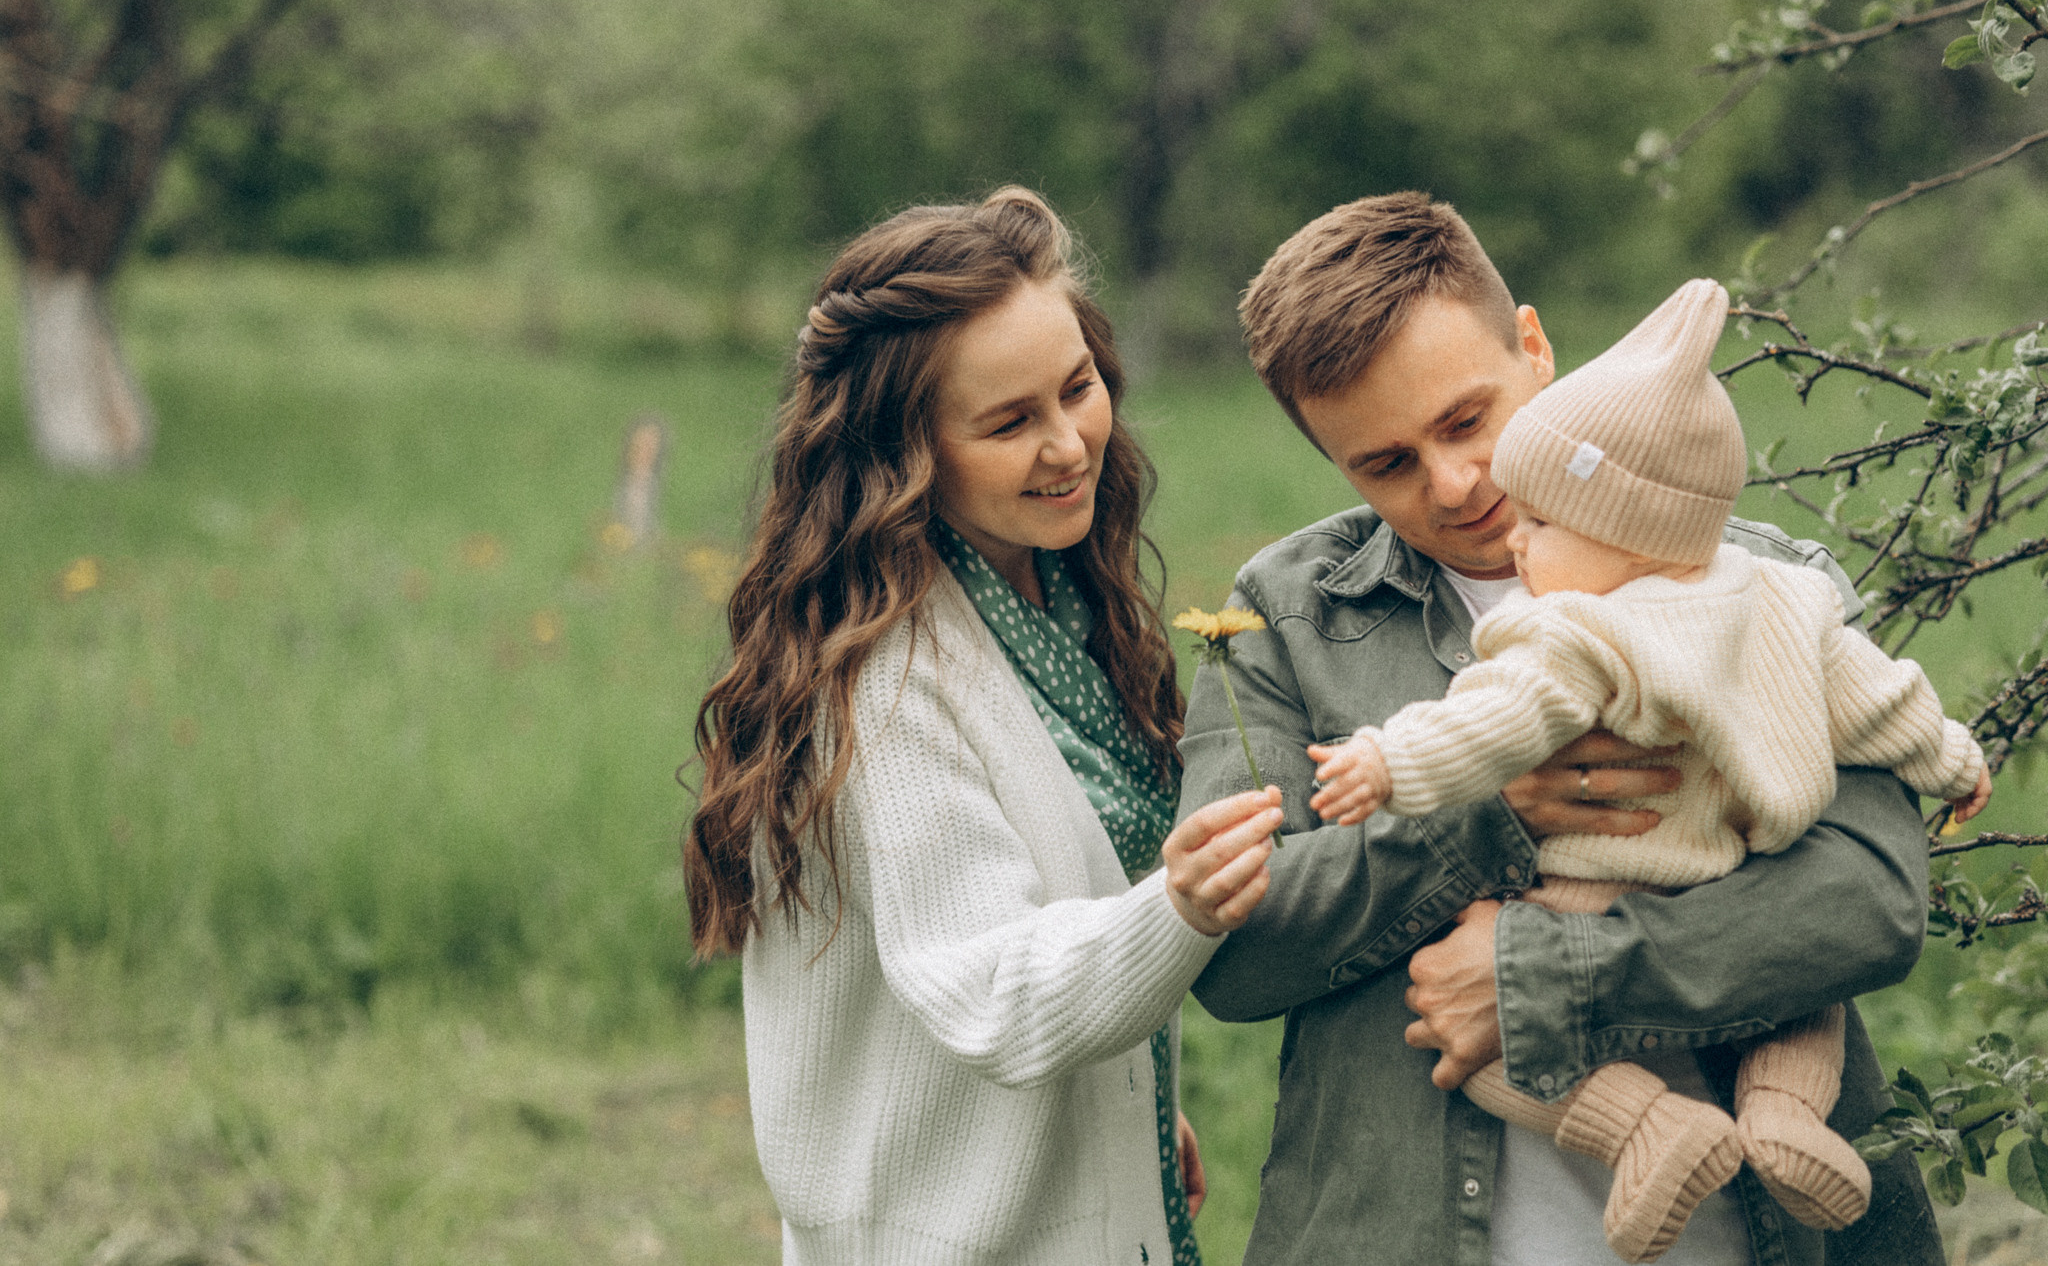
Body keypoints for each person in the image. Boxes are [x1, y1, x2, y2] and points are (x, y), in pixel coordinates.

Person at [1181, 192, 1946, 1266]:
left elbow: (1871, 897)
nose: (1454, 485)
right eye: (1386, 463)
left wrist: (1543, 972)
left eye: (1465, 421)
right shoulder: (1286, 615)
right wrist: (1487, 817)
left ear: (1533, 349)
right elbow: (1234, 956)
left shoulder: (1761, 581)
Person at [682, 186, 1284, 1265]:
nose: (1068, 445)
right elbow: (989, 988)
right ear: (902, 452)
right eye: (1009, 423)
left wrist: (1124, 1113)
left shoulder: (1049, 591)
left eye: (1077, 388)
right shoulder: (886, 685)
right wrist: (1182, 906)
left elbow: (1046, 893)